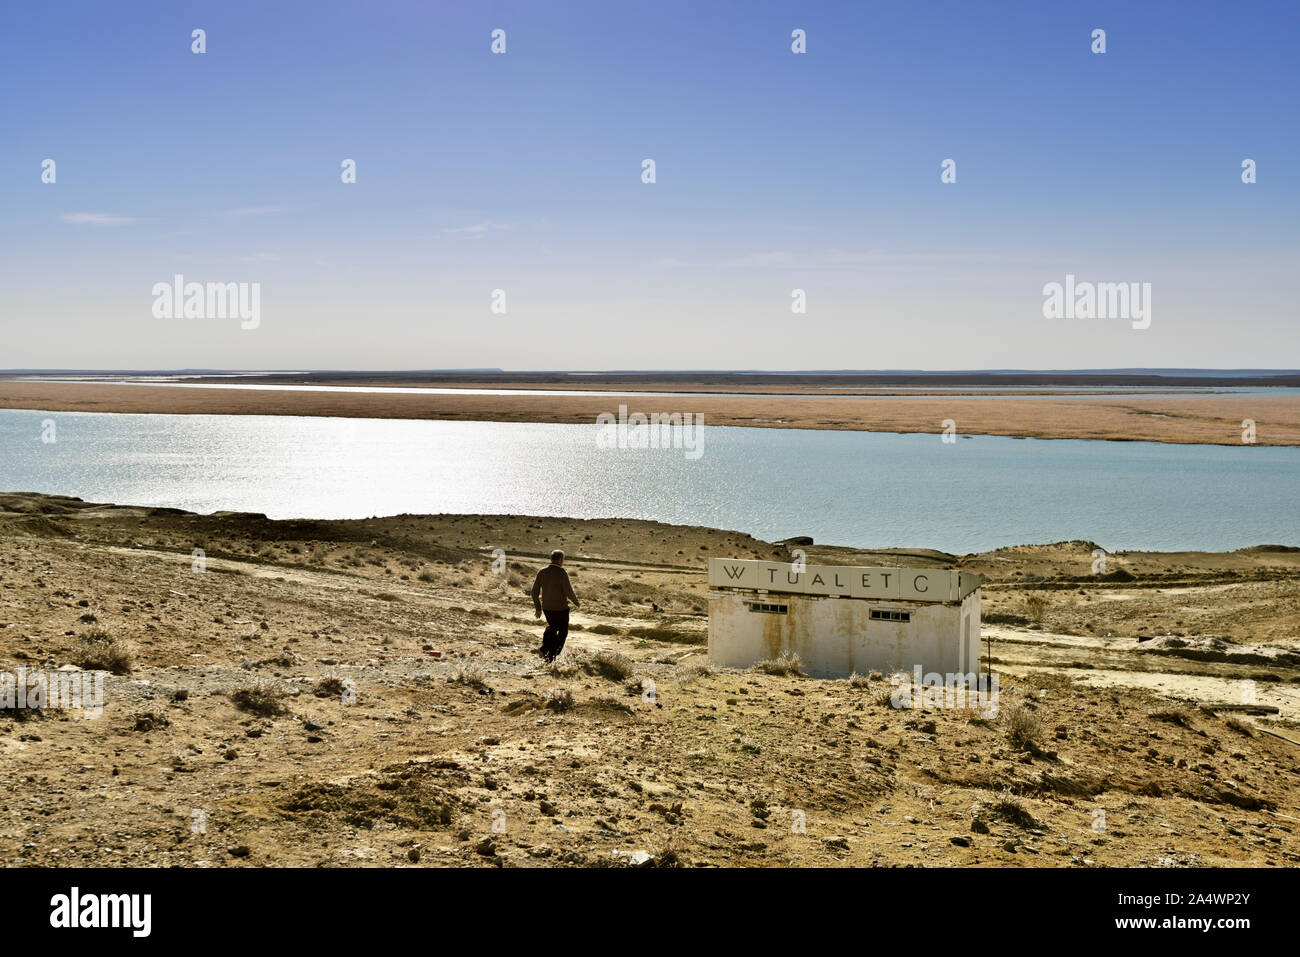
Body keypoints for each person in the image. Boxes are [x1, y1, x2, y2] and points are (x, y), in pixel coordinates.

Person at [531, 549, 579, 662]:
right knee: (563, 632)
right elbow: (568, 591)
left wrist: (538, 608)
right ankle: (552, 654)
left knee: (552, 627)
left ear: (551, 559)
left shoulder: (542, 572)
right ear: (561, 560)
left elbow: (534, 592)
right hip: (561, 608)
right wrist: (576, 602)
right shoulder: (562, 572)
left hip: (547, 608)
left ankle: (545, 649)